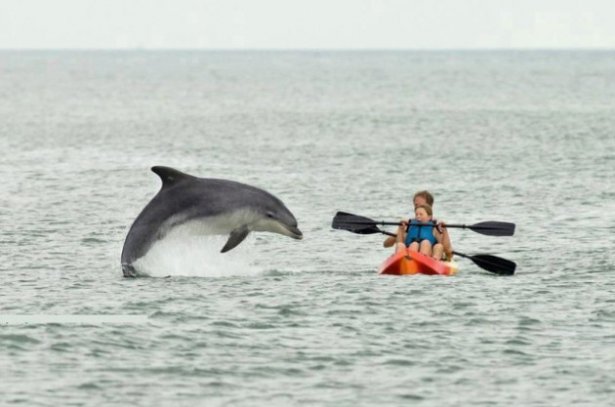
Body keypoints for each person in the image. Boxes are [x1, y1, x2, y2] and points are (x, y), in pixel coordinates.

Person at [383, 190, 453, 260]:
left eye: (421, 205)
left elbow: (448, 252)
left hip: (429, 255)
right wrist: (400, 229)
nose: (417, 208)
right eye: (416, 205)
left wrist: (445, 230)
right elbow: (386, 244)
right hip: (410, 255)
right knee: (409, 244)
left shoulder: (437, 226)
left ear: (430, 206)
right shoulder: (408, 224)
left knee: (427, 243)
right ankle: (404, 259)